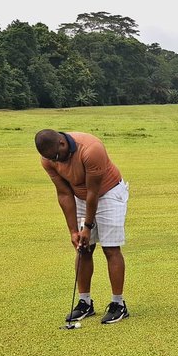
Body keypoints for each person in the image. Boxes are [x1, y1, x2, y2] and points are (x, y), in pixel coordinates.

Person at [35, 129, 131, 323]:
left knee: (111, 248)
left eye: (56, 157)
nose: (56, 162)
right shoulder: (48, 159)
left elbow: (93, 193)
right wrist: (73, 231)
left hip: (108, 193)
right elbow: (63, 194)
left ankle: (118, 304)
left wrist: (87, 227)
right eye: (51, 159)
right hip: (79, 196)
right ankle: (84, 302)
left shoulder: (91, 149)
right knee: (83, 248)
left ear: (62, 144)